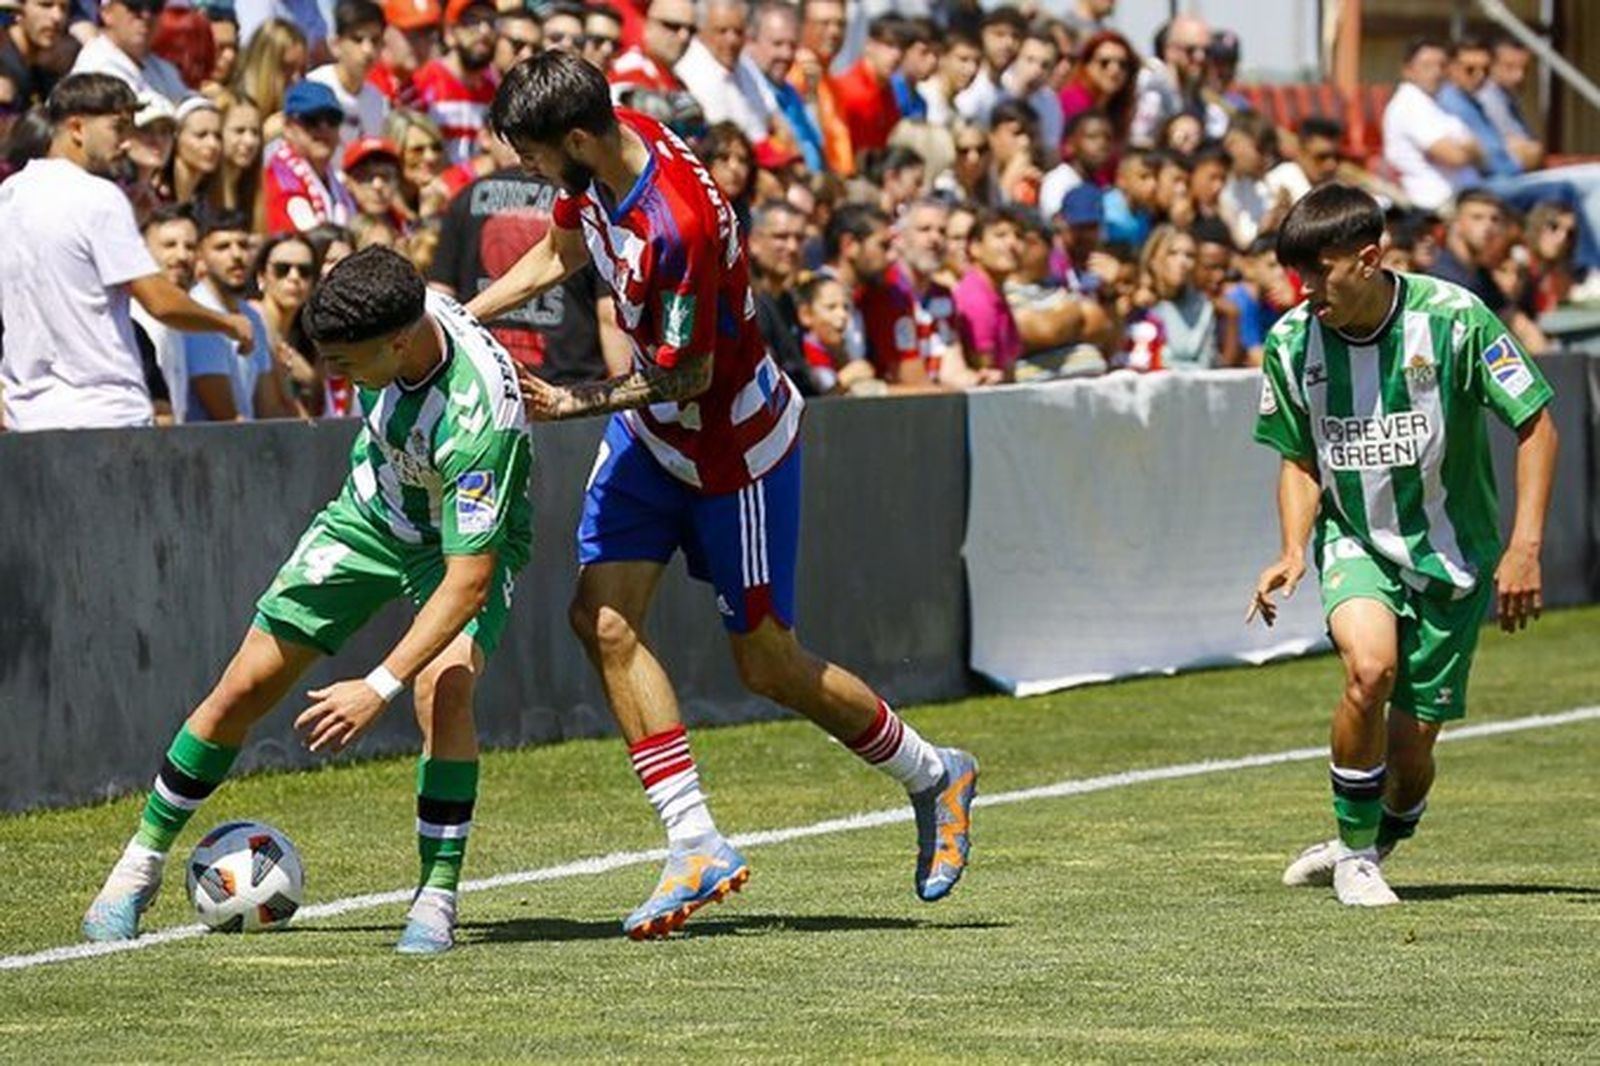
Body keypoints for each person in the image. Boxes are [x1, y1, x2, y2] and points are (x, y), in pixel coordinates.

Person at [469, 52, 978, 937]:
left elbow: (686, 373)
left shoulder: (677, 224)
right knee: (601, 617)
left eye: (534, 154)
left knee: (767, 663)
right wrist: (467, 318)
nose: (528, 169)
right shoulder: (603, 159)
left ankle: (935, 774)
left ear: (580, 136)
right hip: (651, 435)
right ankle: (694, 839)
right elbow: (561, 250)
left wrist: (574, 402)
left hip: (731, 448)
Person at [82, 246, 533, 955]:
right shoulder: (401, 312)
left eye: (347, 364)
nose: (335, 376)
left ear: (398, 341)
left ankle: (436, 896)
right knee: (245, 683)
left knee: (441, 691)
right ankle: (136, 868)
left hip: (457, 547)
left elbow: (468, 579)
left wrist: (378, 685)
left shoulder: (479, 422)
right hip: (370, 518)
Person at [1252, 182, 1559, 907]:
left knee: (1412, 755)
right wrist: (1295, 547)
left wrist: (1525, 547)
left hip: (1453, 557)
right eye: (1298, 272)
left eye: (1321, 270)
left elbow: (1537, 423)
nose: (1307, 288)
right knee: (1368, 671)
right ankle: (1357, 855)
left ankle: (1376, 838)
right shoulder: (1292, 341)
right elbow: (1296, 458)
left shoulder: (1455, 319)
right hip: (1355, 539)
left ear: (1369, 257)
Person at [0, 74, 252, 431]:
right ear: (76, 127)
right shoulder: (98, 197)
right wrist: (228, 323)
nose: (126, 142)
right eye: (118, 127)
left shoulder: (8, 197)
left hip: (28, 419)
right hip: (107, 415)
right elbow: (160, 301)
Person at [430, 127, 612, 383]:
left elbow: (440, 293)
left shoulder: (466, 197)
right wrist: (624, 393)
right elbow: (609, 312)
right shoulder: (578, 199)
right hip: (571, 383)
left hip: (487, 380)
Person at [184, 207, 288, 421]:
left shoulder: (252, 316)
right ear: (200, 256)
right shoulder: (196, 312)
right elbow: (226, 417)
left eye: (243, 245)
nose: (237, 255)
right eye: (222, 247)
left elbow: (268, 408)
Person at [1428, 188, 1550, 355]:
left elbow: (1519, 324)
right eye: (1477, 217)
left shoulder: (1483, 276)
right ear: (1455, 222)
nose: (1488, 226)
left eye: (1495, 219)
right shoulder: (1439, 276)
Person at [1382, 38, 1483, 213]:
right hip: (1437, 203)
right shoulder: (1409, 104)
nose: (1437, 72)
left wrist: (1467, 151)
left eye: (1442, 66)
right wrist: (1466, 150)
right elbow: (1456, 156)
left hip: (1471, 194)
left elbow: (1482, 154)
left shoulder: (1439, 104)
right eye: (1427, 66)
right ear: (1408, 70)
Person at [132, 202, 200, 423]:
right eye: (169, 245)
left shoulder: (177, 324)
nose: (182, 255)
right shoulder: (134, 319)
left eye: (190, 247)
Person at [264, 80, 356, 233]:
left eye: (332, 119)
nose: (324, 128)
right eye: (311, 119)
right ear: (288, 127)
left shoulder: (336, 181)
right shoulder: (279, 179)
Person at [414, 0, 498, 163]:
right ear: (449, 33)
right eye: (472, 21)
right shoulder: (422, 83)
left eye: (491, 21)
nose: (484, 30)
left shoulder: (494, 92)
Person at [607, 0, 703, 139]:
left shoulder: (678, 82)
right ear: (647, 25)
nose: (684, 36)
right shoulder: (628, 69)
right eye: (673, 26)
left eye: (691, 30)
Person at [674, 0, 765, 144]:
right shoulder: (691, 71)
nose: (732, 40)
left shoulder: (746, 65)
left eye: (738, 32)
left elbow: (765, 125)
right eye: (722, 31)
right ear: (700, 31)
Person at [308, 0, 390, 148]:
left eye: (375, 41)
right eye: (357, 40)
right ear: (336, 44)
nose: (368, 50)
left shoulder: (378, 101)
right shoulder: (314, 87)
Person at [954, 207, 1025, 378]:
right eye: (1000, 235)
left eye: (1018, 236)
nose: (1012, 243)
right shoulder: (976, 300)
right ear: (975, 248)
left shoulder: (995, 294)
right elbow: (987, 372)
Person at [70, 0, 188, 103]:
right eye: (135, 5)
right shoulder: (96, 65)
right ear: (107, 13)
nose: (146, 15)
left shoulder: (160, 67)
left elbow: (188, 101)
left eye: (155, 7)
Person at [1436, 36, 1519, 180]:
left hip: (1504, 176)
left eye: (1485, 70)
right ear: (1451, 68)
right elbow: (1486, 159)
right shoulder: (1449, 103)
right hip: (1486, 184)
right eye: (1470, 69)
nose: (1480, 76)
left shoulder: (1473, 100)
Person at [1477, 34, 1543, 173]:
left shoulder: (1507, 95)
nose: (1520, 75)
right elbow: (1516, 146)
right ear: (1490, 65)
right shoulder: (1487, 97)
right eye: (1509, 67)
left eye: (1524, 68)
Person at [369, 0, 441, 108]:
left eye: (427, 33)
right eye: (411, 33)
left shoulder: (425, 90)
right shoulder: (366, 85)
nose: (420, 44)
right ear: (384, 32)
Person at [0, 0, 70, 110]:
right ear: (18, 11)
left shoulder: (47, 74)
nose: (57, 17)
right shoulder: (4, 66)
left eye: (64, 8)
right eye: (45, 5)